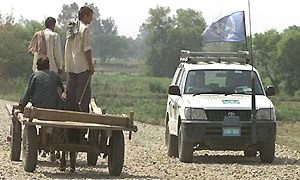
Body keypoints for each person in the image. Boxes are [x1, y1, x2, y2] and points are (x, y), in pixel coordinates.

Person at [62, 6, 94, 173]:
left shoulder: (71, 28)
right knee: (83, 97)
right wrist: (90, 66)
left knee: (71, 99)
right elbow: (87, 50)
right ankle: (83, 119)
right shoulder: (85, 29)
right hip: (81, 68)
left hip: (70, 67)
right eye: (91, 16)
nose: (92, 19)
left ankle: (70, 116)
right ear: (85, 16)